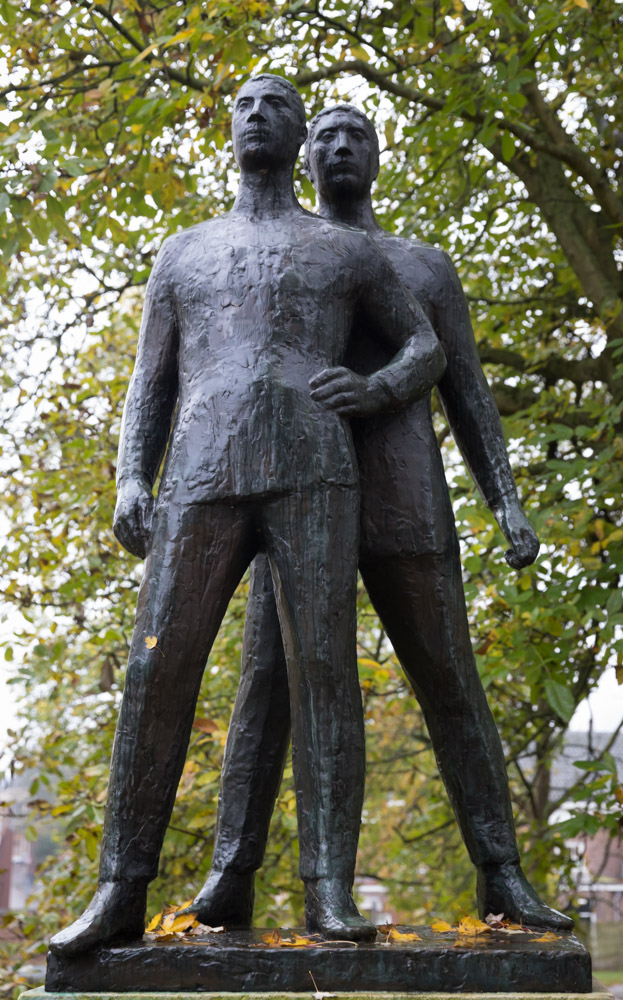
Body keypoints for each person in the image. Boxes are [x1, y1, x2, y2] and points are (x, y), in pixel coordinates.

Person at [49, 77, 446, 955]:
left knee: (323, 673)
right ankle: (120, 887)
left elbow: (424, 343)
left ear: (300, 134)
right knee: (159, 669)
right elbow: (148, 382)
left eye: (277, 104)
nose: (259, 114)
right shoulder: (184, 253)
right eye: (245, 105)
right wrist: (128, 480)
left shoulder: (341, 252)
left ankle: (328, 891)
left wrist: (376, 388)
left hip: (314, 473)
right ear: (230, 131)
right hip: (199, 473)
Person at [190, 105, 573, 932]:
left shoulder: (418, 267)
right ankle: (231, 871)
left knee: (447, 678)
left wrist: (503, 499)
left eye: (354, 135)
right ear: (301, 151)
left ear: (377, 156)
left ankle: (500, 870)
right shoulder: (286, 256)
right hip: (292, 495)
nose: (337, 147)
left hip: (401, 500)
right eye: (322, 134)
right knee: (267, 685)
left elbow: (466, 390)